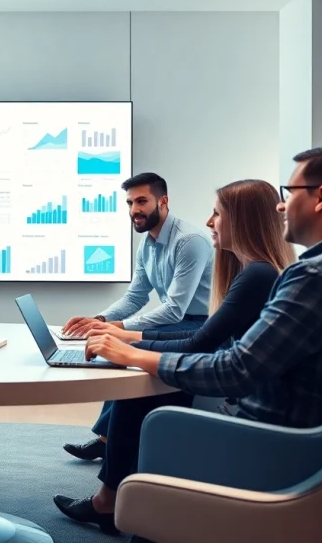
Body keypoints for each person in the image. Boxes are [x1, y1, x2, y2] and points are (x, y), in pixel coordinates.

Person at [58, 144, 322, 535]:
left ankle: (122, 507)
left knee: (158, 415)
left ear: (321, 198)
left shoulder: (317, 277)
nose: (280, 207)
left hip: (278, 449)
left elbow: (236, 368)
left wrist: (137, 354)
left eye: (289, 193)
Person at [52, 179, 297, 534]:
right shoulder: (254, 272)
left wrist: (130, 348)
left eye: (217, 213)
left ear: (242, 221)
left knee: (135, 392)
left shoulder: (252, 272)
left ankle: (107, 500)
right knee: (134, 370)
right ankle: (113, 472)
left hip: (231, 389)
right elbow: (196, 332)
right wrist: (124, 334)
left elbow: (197, 337)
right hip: (216, 356)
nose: (210, 222)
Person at [60, 173, 214, 462]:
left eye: (141, 201)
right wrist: (101, 319)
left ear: (163, 201)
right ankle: (107, 439)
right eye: (130, 202)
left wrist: (119, 329)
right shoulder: (148, 244)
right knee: (118, 344)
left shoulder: (190, 241)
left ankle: (112, 441)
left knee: (124, 349)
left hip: (199, 324)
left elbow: (174, 308)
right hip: (177, 322)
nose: (134, 210)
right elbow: (136, 297)